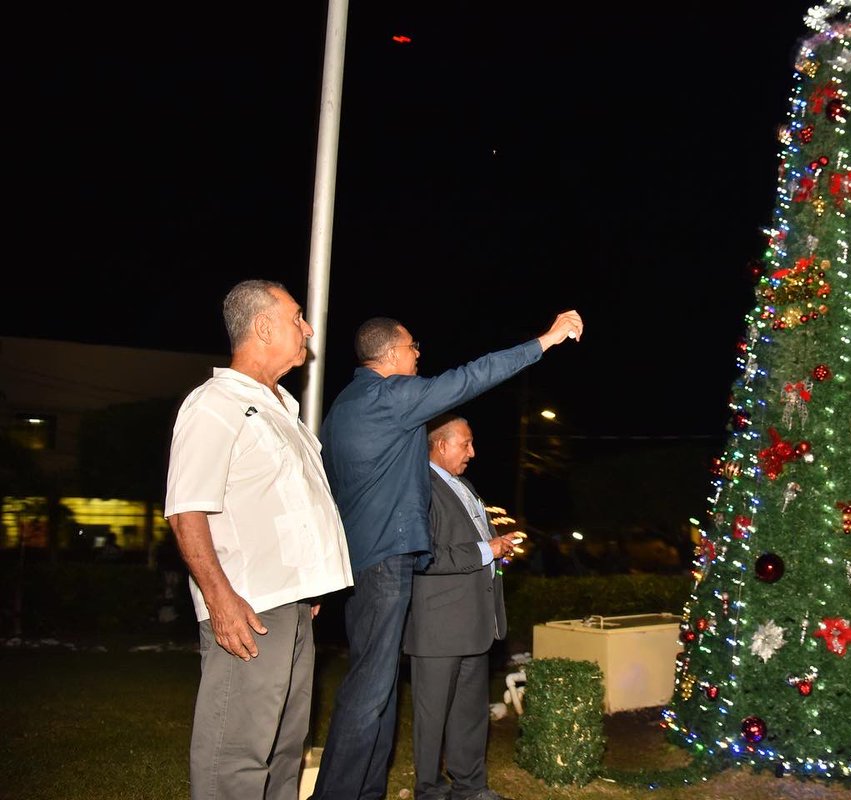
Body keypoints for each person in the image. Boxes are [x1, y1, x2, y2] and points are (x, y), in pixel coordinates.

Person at [311, 309, 583, 800]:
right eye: (413, 348)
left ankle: (366, 791)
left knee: (382, 691)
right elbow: (471, 378)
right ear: (392, 354)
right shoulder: (388, 396)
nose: (419, 356)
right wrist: (546, 339)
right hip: (385, 561)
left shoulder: (344, 406)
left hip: (363, 560)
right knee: (369, 693)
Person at [164, 279, 353, 800]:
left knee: (286, 748)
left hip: (293, 605)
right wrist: (220, 599)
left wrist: (311, 584)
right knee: (237, 755)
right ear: (263, 326)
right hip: (249, 605)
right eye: (296, 317)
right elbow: (186, 511)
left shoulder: (281, 410)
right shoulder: (215, 404)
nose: (307, 328)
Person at [405, 414, 522, 800]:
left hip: (474, 624)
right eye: (465, 443)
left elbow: (473, 546)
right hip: (438, 628)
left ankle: (470, 786)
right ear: (440, 445)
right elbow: (424, 556)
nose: (473, 452)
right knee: (432, 717)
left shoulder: (465, 487)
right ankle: (430, 789)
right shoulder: (418, 487)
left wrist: (497, 545)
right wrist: (486, 549)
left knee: (470, 716)